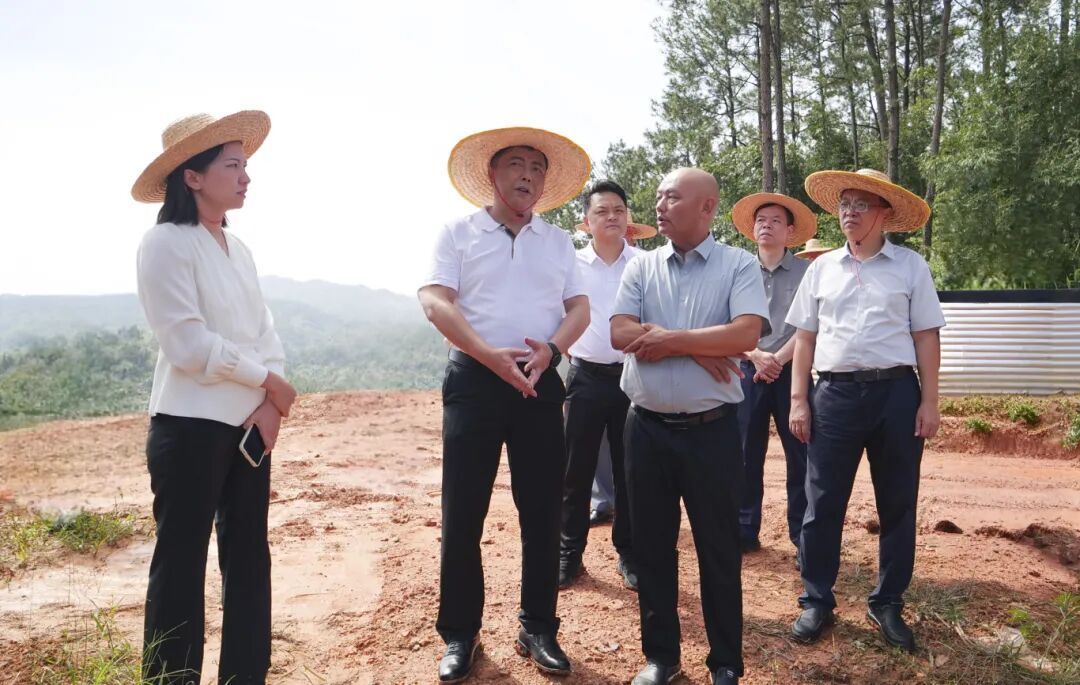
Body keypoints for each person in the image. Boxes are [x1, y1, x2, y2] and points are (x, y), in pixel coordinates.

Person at [418, 127, 591, 682]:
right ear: (492, 175)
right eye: (516, 164)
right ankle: (460, 634)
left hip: (539, 381)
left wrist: (554, 349)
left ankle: (538, 627)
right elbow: (434, 299)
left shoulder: (557, 242)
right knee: (463, 510)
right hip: (474, 380)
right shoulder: (459, 232)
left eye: (537, 168)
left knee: (542, 511)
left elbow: (580, 307)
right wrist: (486, 354)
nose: (528, 175)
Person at [132, 111, 295, 684]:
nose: (246, 176)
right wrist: (268, 380)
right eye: (233, 166)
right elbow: (187, 344)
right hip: (188, 428)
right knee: (181, 565)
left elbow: (265, 330)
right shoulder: (164, 243)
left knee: (249, 561)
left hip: (249, 427)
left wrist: (271, 406)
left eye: (245, 165)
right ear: (193, 177)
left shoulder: (238, 249)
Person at [611, 168, 769, 685]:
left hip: (712, 432)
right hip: (646, 429)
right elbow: (620, 333)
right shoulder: (641, 266)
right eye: (658, 196)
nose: (659, 205)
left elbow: (745, 333)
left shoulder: (738, 265)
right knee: (653, 548)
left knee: (718, 550)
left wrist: (670, 341)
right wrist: (700, 346)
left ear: (706, 207)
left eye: (672, 197)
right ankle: (662, 658)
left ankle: (725, 663)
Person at [786, 168, 945, 653]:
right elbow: (805, 338)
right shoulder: (821, 268)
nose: (849, 213)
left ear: (884, 214)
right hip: (833, 396)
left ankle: (888, 601)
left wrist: (930, 400)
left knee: (897, 501)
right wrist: (799, 400)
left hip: (896, 394)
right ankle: (817, 600)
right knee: (822, 502)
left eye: (860, 205)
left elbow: (926, 337)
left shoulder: (910, 267)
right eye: (844, 204)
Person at [559, 181, 650, 591]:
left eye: (618, 209)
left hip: (633, 379)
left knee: (630, 470)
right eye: (602, 211)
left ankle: (629, 552)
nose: (612, 216)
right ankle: (569, 553)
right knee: (575, 470)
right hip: (585, 377)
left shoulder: (645, 263)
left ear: (628, 217)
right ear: (585, 222)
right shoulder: (571, 265)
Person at [729, 192, 816, 565]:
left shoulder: (807, 273)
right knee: (744, 454)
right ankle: (744, 530)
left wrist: (777, 359)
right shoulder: (737, 270)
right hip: (747, 369)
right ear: (753, 229)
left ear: (790, 231)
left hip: (792, 369)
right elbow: (727, 322)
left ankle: (803, 536)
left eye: (776, 221)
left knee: (801, 454)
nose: (766, 226)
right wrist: (755, 355)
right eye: (761, 220)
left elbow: (811, 326)